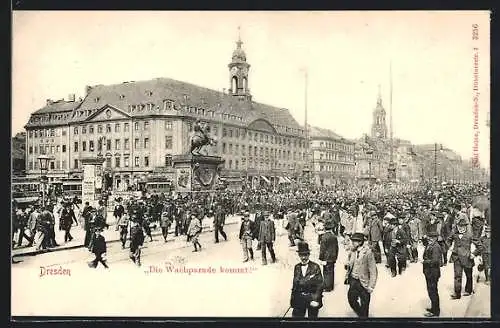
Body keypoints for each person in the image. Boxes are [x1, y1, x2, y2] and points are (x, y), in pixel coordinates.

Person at [345, 232, 377, 318]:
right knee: (351, 300)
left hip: (363, 282)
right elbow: (350, 262)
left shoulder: (368, 253)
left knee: (365, 304)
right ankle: (361, 315)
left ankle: (364, 319)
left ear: (360, 242)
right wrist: (348, 265)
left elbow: (373, 270)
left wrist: (371, 286)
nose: (352, 243)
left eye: (354, 241)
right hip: (353, 280)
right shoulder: (353, 251)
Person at [290, 242, 324, 318]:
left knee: (312, 320)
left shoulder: (315, 267)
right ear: (299, 255)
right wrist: (293, 300)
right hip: (299, 298)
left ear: (309, 255)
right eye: (301, 255)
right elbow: (295, 284)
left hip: (312, 298)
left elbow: (320, 285)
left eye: (305, 255)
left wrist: (315, 299)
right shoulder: (297, 267)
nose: (303, 258)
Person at [447, 218, 476, 299]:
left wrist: (474, 254)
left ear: (466, 227)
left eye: (463, 227)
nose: (461, 228)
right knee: (457, 276)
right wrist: (449, 246)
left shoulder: (470, 235)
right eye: (459, 227)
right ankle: (457, 293)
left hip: (467, 258)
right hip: (456, 258)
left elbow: (480, 246)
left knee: (468, 275)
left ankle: (468, 290)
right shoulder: (455, 234)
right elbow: (448, 240)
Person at [421, 231, 442, 317]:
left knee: (433, 291)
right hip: (428, 272)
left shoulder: (436, 247)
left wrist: (425, 262)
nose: (429, 238)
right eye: (429, 237)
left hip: (433, 272)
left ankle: (435, 312)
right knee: (430, 291)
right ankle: (433, 308)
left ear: (435, 238)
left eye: (432, 237)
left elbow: (435, 261)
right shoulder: (429, 245)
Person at [319, 221, 339, 292]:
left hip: (326, 257)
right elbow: (337, 247)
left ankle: (327, 287)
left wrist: (321, 258)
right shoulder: (334, 236)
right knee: (331, 271)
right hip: (333, 257)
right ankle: (331, 286)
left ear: (325, 228)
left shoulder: (324, 237)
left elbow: (322, 249)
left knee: (326, 272)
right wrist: (336, 256)